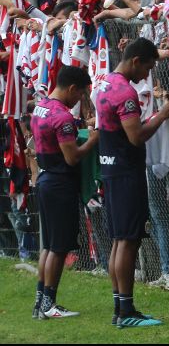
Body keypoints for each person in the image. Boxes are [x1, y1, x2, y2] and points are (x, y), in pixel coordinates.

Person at [95, 38, 169, 328]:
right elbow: (136, 136)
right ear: (136, 61)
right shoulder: (125, 92)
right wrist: (161, 115)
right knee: (129, 241)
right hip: (126, 170)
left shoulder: (104, 82)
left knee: (120, 240)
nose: (146, 75)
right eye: (147, 68)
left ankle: (120, 309)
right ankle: (126, 312)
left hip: (110, 167)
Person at [30, 66, 99, 320]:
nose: (79, 99)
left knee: (48, 246)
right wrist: (93, 140)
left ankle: (40, 303)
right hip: (60, 184)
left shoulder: (41, 107)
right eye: (80, 94)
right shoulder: (62, 117)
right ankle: (49, 305)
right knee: (58, 248)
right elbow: (72, 157)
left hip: (45, 179)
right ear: (71, 88)